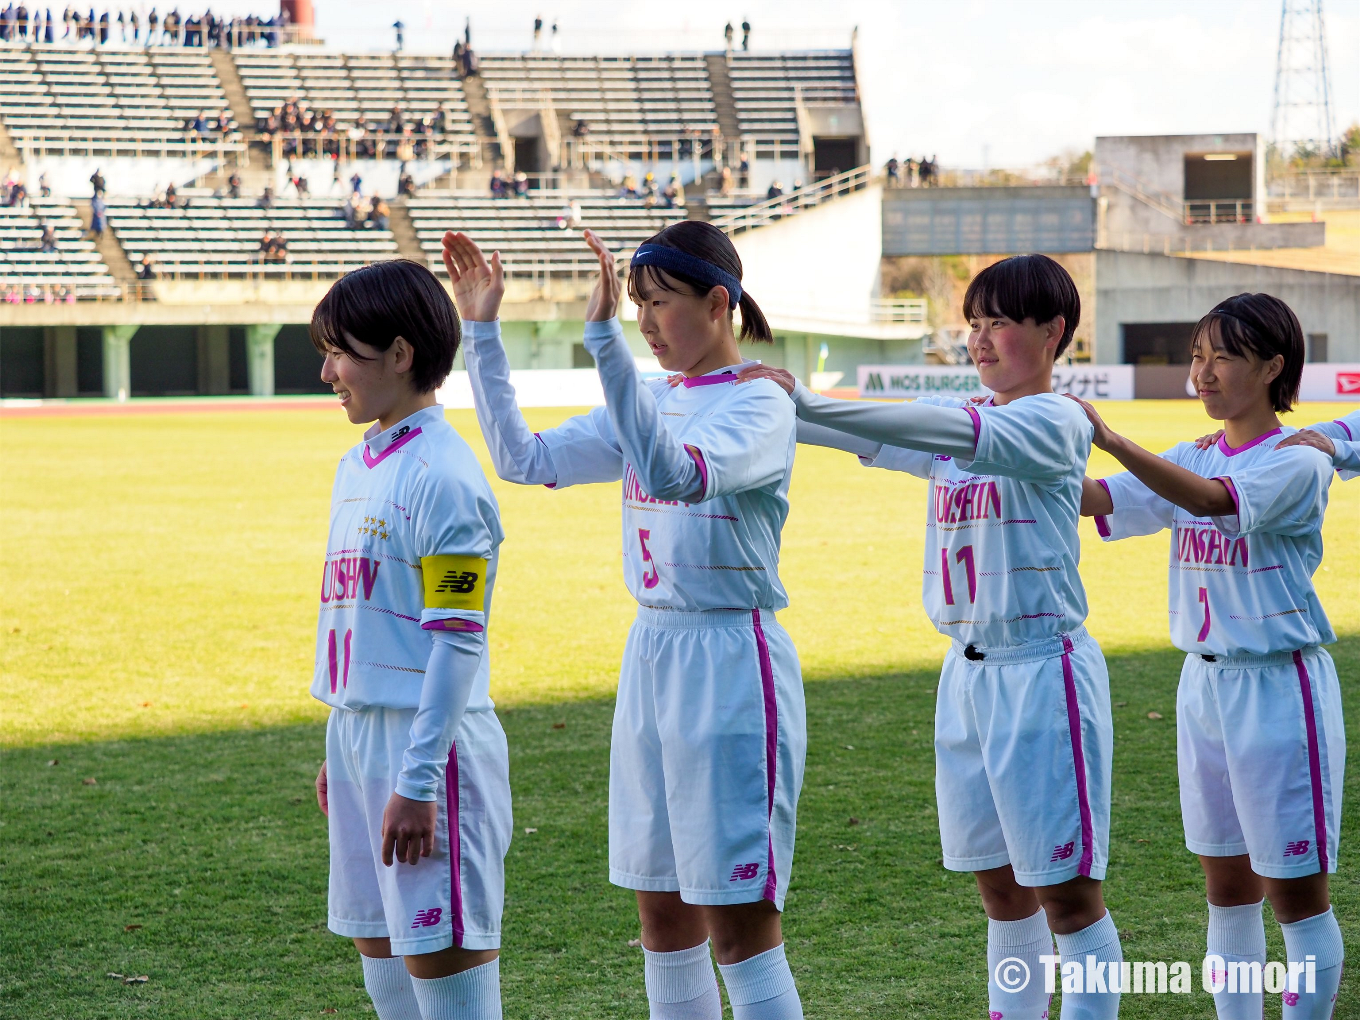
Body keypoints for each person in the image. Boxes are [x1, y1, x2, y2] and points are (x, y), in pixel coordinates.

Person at [743, 254, 1124, 1020]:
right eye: (973, 324)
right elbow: (879, 434)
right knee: (1000, 887)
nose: (980, 340)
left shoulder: (1053, 420)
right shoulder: (967, 418)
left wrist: (805, 396)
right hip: (967, 675)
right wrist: (774, 402)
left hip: (1039, 669)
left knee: (1069, 897)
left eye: (1001, 323)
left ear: (1054, 333)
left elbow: (943, 428)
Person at [446, 221, 808, 1019]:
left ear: (719, 304)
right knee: (663, 915)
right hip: (650, 652)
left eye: (657, 302)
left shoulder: (758, 404)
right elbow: (523, 459)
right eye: (634, 304)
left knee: (741, 927)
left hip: (729, 660)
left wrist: (603, 344)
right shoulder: (650, 398)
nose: (643, 321)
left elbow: (677, 475)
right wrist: (481, 329)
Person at [1076, 293, 1344, 1020]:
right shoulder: (1192, 452)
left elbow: (1207, 501)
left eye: (1221, 355)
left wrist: (1114, 439)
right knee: (1226, 889)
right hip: (1203, 687)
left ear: (1272, 366)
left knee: (1295, 898)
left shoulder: (1297, 461)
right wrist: (1002, 452)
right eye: (1197, 355)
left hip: (1278, 691)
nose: (1203, 371)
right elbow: (1099, 499)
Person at [309, 259, 512, 1020]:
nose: (328, 371)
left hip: (431, 754)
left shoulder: (445, 477)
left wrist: (418, 778)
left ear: (399, 355)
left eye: (341, 352)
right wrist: (344, 735)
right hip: (363, 741)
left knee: (450, 995)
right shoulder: (356, 464)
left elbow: (458, 642)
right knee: (388, 982)